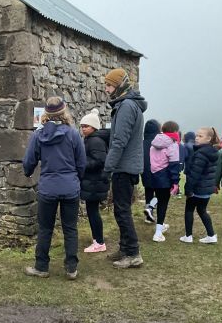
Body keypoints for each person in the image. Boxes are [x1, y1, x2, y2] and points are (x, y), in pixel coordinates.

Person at [23, 97, 86, 279]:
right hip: (70, 187)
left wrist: (28, 172)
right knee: (70, 228)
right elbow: (82, 162)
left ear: (46, 113)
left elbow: (29, 161)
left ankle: (41, 267)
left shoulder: (38, 135)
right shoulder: (73, 134)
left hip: (48, 188)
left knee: (45, 229)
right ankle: (71, 268)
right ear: (64, 112)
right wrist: (77, 179)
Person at [102, 68, 148, 268]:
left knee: (122, 211)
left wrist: (108, 167)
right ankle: (124, 248)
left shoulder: (127, 106)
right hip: (127, 166)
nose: (106, 89)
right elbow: (118, 134)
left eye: (109, 85)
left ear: (120, 85)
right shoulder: (128, 104)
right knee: (121, 210)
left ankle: (133, 253)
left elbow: (120, 141)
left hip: (124, 167)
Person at [180, 127, 220, 244]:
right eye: (196, 135)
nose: (197, 138)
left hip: (197, 188)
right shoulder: (213, 152)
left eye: (200, 136)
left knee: (189, 210)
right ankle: (211, 235)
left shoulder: (201, 154)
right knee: (202, 211)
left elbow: (194, 174)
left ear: (208, 139)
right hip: (206, 189)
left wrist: (188, 189)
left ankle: (188, 236)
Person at [80, 108, 110, 253]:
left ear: (94, 127)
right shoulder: (91, 139)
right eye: (82, 126)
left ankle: (99, 242)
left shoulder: (95, 141)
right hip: (93, 182)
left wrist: (82, 164)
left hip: (95, 182)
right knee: (92, 211)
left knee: (93, 212)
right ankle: (97, 240)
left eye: (86, 126)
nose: (83, 129)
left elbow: (100, 161)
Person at [149, 120, 181, 242]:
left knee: (159, 199)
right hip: (165, 177)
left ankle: (160, 225)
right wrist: (175, 182)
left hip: (154, 175)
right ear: (175, 131)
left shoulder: (154, 143)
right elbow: (174, 165)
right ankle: (158, 233)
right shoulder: (173, 145)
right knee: (163, 204)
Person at [141, 119, 160, 224]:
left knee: (148, 193)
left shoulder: (141, 143)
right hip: (157, 172)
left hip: (145, 172)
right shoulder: (159, 143)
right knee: (161, 194)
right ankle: (151, 208)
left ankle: (148, 216)